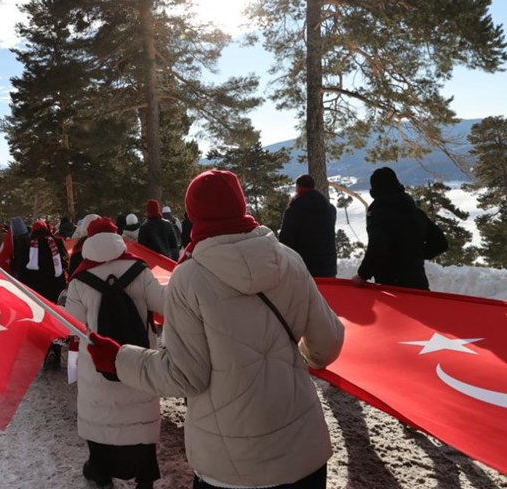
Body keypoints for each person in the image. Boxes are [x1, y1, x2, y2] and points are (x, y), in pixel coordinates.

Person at [87, 169, 345, 489]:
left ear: (193, 214)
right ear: (241, 204)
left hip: (231, 464)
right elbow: (328, 343)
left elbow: (185, 376)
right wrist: (289, 360)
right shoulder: (289, 260)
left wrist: (119, 359)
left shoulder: (188, 279)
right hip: (303, 450)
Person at [66, 217, 166, 489]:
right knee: (139, 417)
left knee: (102, 418)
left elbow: (72, 325)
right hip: (138, 361)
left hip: (98, 366)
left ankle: (100, 471)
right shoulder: (139, 270)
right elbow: (164, 304)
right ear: (117, 239)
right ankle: (145, 476)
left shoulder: (79, 280)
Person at [351, 167, 447, 291]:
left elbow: (377, 248)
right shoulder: (416, 213)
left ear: (374, 191)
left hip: (392, 286)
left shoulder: (378, 216)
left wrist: (362, 275)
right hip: (419, 285)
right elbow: (441, 243)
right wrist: (414, 255)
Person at [278, 174, 338, 278]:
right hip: (328, 266)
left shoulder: (293, 211)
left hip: (303, 267)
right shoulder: (330, 209)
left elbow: (285, 241)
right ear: (314, 186)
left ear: (297, 188)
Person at [18, 219, 69, 303]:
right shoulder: (57, 242)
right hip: (56, 283)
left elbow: (23, 267)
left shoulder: (28, 245)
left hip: (36, 285)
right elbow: (64, 260)